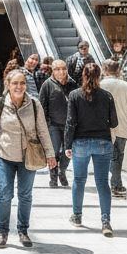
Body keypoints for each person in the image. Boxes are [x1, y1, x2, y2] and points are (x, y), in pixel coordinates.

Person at [0, 68, 55, 249]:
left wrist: (50, 154)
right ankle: (3, 231)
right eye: (15, 83)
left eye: (22, 83)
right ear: (8, 84)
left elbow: (43, 130)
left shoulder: (34, 104)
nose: (19, 86)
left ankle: (23, 230)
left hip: (28, 157)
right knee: (5, 194)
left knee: (25, 195)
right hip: (4, 155)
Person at [64, 62, 119, 237]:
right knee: (102, 182)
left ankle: (77, 216)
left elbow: (70, 122)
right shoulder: (107, 96)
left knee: (79, 180)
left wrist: (67, 145)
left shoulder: (74, 95)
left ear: (83, 75)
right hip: (103, 142)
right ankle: (106, 221)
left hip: (80, 142)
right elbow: (114, 122)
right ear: (99, 76)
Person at [102, 58, 127, 197]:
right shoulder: (126, 86)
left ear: (104, 70)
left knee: (106, 158)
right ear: (118, 70)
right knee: (118, 157)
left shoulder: (99, 85)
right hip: (121, 127)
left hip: (103, 129)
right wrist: (124, 115)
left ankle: (111, 184)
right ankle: (116, 185)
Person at [39, 59, 74, 188]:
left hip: (69, 125)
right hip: (53, 124)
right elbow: (42, 105)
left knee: (68, 151)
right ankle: (53, 177)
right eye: (57, 69)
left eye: (64, 68)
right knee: (53, 151)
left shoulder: (72, 84)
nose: (61, 72)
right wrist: (45, 124)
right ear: (52, 71)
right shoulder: (47, 85)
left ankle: (62, 171)